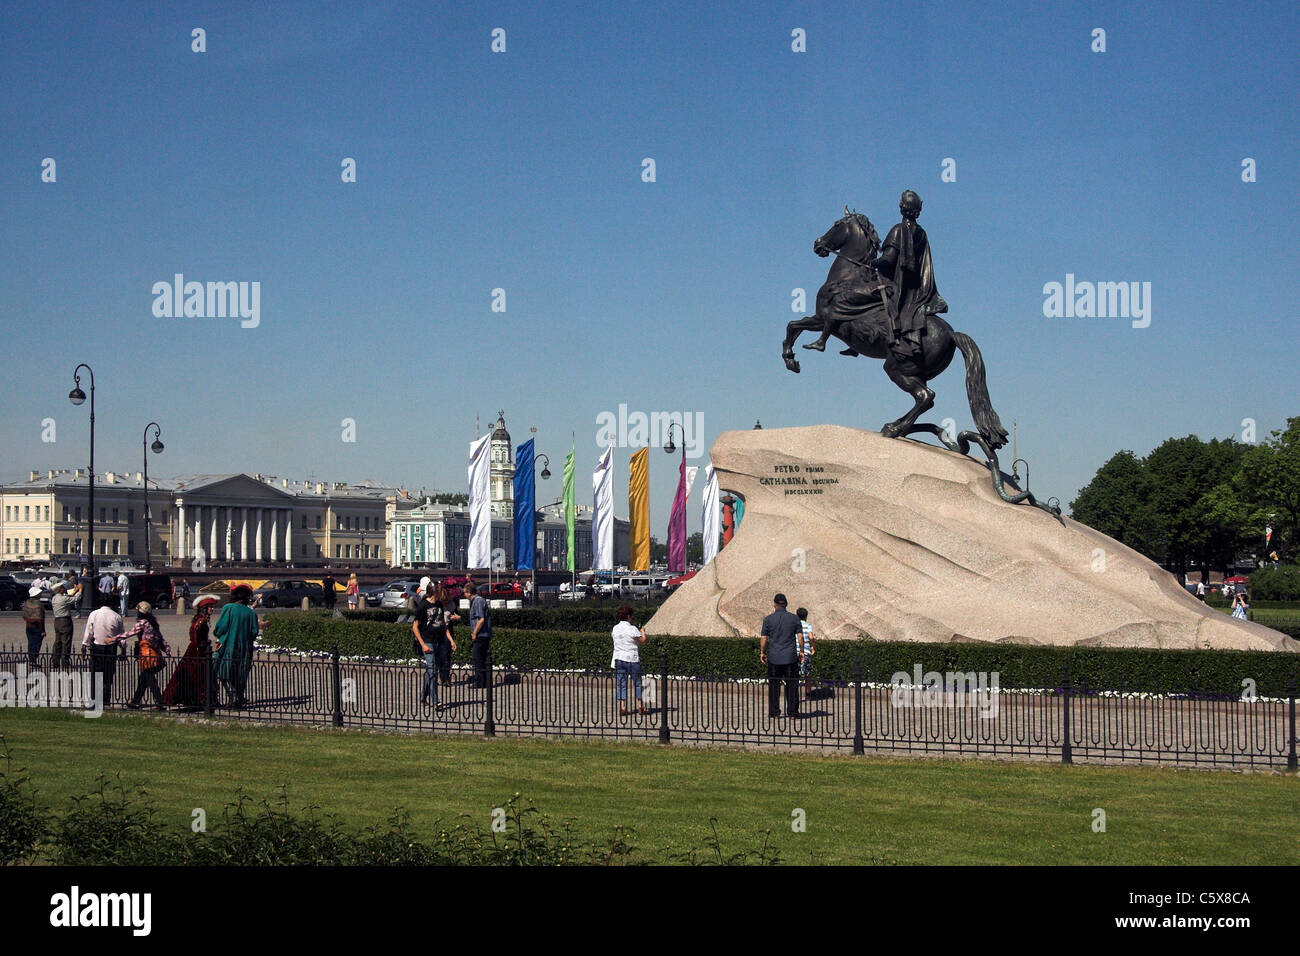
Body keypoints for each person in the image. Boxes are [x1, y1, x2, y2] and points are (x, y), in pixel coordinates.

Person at [164, 595, 218, 709]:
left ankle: (197, 700)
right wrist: (203, 644)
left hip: (195, 650)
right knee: (198, 676)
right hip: (198, 651)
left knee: (196, 676)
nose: (212, 609)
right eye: (210, 607)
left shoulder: (198, 619)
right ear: (204, 608)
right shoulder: (201, 621)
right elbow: (195, 636)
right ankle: (200, 700)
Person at [214, 584, 259, 708]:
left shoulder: (229, 608)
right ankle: (239, 697)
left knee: (223, 672)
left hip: (228, 646)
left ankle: (233, 697)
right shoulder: (251, 613)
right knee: (239, 674)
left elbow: (220, 627)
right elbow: (254, 632)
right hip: (244, 648)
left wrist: (218, 634)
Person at [413, 583, 455, 711]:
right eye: (439, 593)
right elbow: (415, 627)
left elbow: (443, 625)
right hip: (428, 641)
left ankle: (423, 696)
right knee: (432, 671)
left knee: (431, 670)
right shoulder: (423, 606)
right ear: (434, 593)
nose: (441, 595)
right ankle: (436, 700)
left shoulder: (439, 605)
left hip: (439, 640)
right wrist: (423, 644)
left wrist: (451, 640)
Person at [760, 593, 801, 718]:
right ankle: (792, 712)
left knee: (774, 687)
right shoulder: (794, 619)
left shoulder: (768, 619)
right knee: (792, 686)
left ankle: (774, 712)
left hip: (774, 657)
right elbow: (800, 636)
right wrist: (802, 652)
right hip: (790, 657)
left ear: (774, 604)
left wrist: (762, 652)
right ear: (786, 604)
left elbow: (764, 638)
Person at [125, 603, 171, 710]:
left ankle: (160, 702)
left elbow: (128, 634)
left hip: (147, 654)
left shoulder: (142, 623)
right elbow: (160, 639)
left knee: (150, 679)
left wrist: (113, 639)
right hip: (155, 653)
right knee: (144, 679)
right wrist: (167, 650)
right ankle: (135, 700)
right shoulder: (153, 623)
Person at [81, 597, 126, 707]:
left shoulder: (94, 614)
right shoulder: (116, 616)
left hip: (97, 647)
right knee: (108, 674)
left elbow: (89, 631)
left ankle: (94, 699)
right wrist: (123, 648)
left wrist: (84, 644)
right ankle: (106, 699)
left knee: (95, 674)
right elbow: (121, 635)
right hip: (111, 647)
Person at [611, 606, 647, 716]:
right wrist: (642, 631)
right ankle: (640, 706)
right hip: (632, 659)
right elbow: (642, 640)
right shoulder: (632, 629)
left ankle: (622, 706)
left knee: (621, 683)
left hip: (619, 658)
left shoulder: (615, 628)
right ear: (628, 616)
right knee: (637, 683)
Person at [467, 582, 492, 689]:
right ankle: (483, 681)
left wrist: (475, 633)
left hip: (481, 634)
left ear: (469, 592)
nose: (464, 595)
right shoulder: (477, 601)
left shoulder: (478, 601)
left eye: (465, 592)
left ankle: (480, 681)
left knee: (478, 658)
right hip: (482, 634)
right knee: (481, 658)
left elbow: (481, 619)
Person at [50, 581, 79, 667]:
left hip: (57, 621)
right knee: (66, 641)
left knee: (57, 641)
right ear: (61, 590)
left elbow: (68, 597)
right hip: (65, 620)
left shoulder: (54, 598)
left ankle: (55, 660)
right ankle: (65, 661)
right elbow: (75, 599)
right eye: (63, 588)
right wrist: (79, 590)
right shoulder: (63, 598)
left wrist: (74, 591)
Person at [439, 588, 461, 684]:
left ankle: (446, 677)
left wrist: (456, 617)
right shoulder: (438, 605)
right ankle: (441, 676)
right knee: (440, 655)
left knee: (446, 654)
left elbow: (458, 615)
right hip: (439, 631)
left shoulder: (452, 604)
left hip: (448, 630)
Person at [21, 585, 46, 664]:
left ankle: (31, 659)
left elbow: (24, 615)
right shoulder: (39, 604)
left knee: (31, 643)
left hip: (28, 626)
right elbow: (40, 619)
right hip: (37, 627)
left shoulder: (27, 602)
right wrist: (42, 630)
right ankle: (33, 659)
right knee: (36, 644)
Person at [795, 606, 815, 696]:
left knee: (794, 674)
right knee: (807, 675)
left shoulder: (794, 625)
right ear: (806, 616)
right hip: (806, 651)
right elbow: (811, 637)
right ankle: (807, 694)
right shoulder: (808, 626)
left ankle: (794, 695)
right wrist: (813, 647)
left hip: (795, 651)